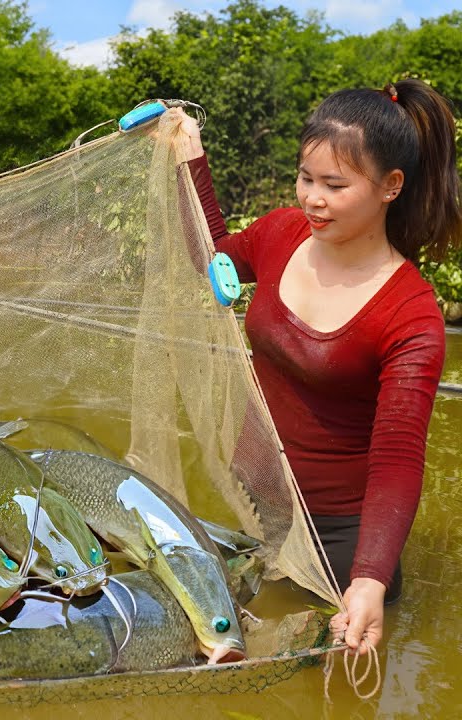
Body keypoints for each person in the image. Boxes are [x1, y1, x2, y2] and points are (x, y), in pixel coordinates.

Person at [172, 79, 461, 656]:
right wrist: (188, 157)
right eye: (306, 178)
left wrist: (370, 579)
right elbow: (210, 256)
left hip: (339, 538)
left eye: (335, 185)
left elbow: (398, 460)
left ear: (390, 187)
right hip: (257, 500)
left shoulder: (410, 314)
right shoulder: (281, 233)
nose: (313, 199)